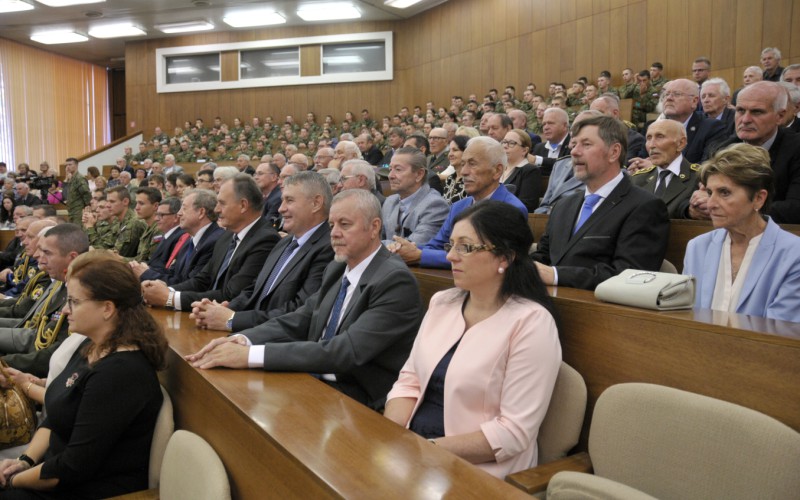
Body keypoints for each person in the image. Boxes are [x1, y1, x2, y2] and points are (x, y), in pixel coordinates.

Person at [185, 189, 423, 411]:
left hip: (360, 400)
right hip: (316, 382)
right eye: (331, 225)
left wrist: (250, 356)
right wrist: (242, 340)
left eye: (345, 224)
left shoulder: (395, 281)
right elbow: (300, 318)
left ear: (374, 227)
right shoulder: (337, 268)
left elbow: (343, 352)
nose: (334, 233)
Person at [385, 201, 561, 479]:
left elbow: (513, 432)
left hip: (477, 468)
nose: (450, 257)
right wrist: (392, 436)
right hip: (413, 449)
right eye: (450, 245)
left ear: (504, 257)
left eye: (465, 247)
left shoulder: (531, 323)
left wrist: (425, 450)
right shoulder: (443, 302)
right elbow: (409, 381)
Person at [0, 252, 167, 498]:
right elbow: (56, 418)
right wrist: (24, 460)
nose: (66, 311)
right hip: (51, 470)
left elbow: (71, 468)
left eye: (74, 302)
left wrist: (11, 480)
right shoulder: (91, 345)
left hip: (84, 489)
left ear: (107, 308)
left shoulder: (120, 374)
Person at [531, 115, 669, 290]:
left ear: (614, 152)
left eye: (586, 144)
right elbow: (543, 256)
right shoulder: (563, 205)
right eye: (574, 144)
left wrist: (557, 275)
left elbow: (630, 275)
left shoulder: (645, 207)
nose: (574, 151)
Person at [190, 171, 335, 332]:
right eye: (281, 201)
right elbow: (254, 289)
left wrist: (232, 319)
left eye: (289, 200)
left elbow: (298, 312)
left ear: (316, 203)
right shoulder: (284, 243)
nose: (281, 209)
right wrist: (221, 309)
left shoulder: (329, 247)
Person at [683, 144, 800, 322]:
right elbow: (685, 315)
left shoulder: (793, 254)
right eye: (709, 192)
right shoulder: (697, 247)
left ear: (759, 198)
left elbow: (781, 331)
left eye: (724, 192)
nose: (711, 203)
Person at [391, 136, 527, 269]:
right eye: (462, 164)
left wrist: (421, 255)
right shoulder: (458, 207)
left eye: (472, 164)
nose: (464, 171)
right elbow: (435, 246)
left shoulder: (512, 209)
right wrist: (404, 248)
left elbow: (487, 258)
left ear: (497, 171)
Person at [381, 147, 449, 246]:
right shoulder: (390, 201)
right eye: (390, 169)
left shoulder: (435, 205)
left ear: (419, 174)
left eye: (398, 169)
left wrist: (374, 246)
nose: (390, 175)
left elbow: (410, 247)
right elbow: (376, 239)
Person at [501, 128, 541, 212]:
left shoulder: (530, 171)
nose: (505, 146)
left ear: (524, 150)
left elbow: (527, 204)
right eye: (504, 142)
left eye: (511, 143)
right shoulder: (497, 169)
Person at [63, 158, 91, 226]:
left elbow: (86, 193)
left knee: (78, 231)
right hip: (72, 210)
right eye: (66, 165)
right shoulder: (72, 178)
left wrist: (88, 206)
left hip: (79, 210)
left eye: (70, 164)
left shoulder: (79, 178)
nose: (68, 167)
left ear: (76, 165)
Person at [442, 135, 469, 204]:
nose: (450, 154)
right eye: (449, 150)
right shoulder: (449, 179)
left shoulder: (470, 179)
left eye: (455, 150)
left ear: (466, 152)